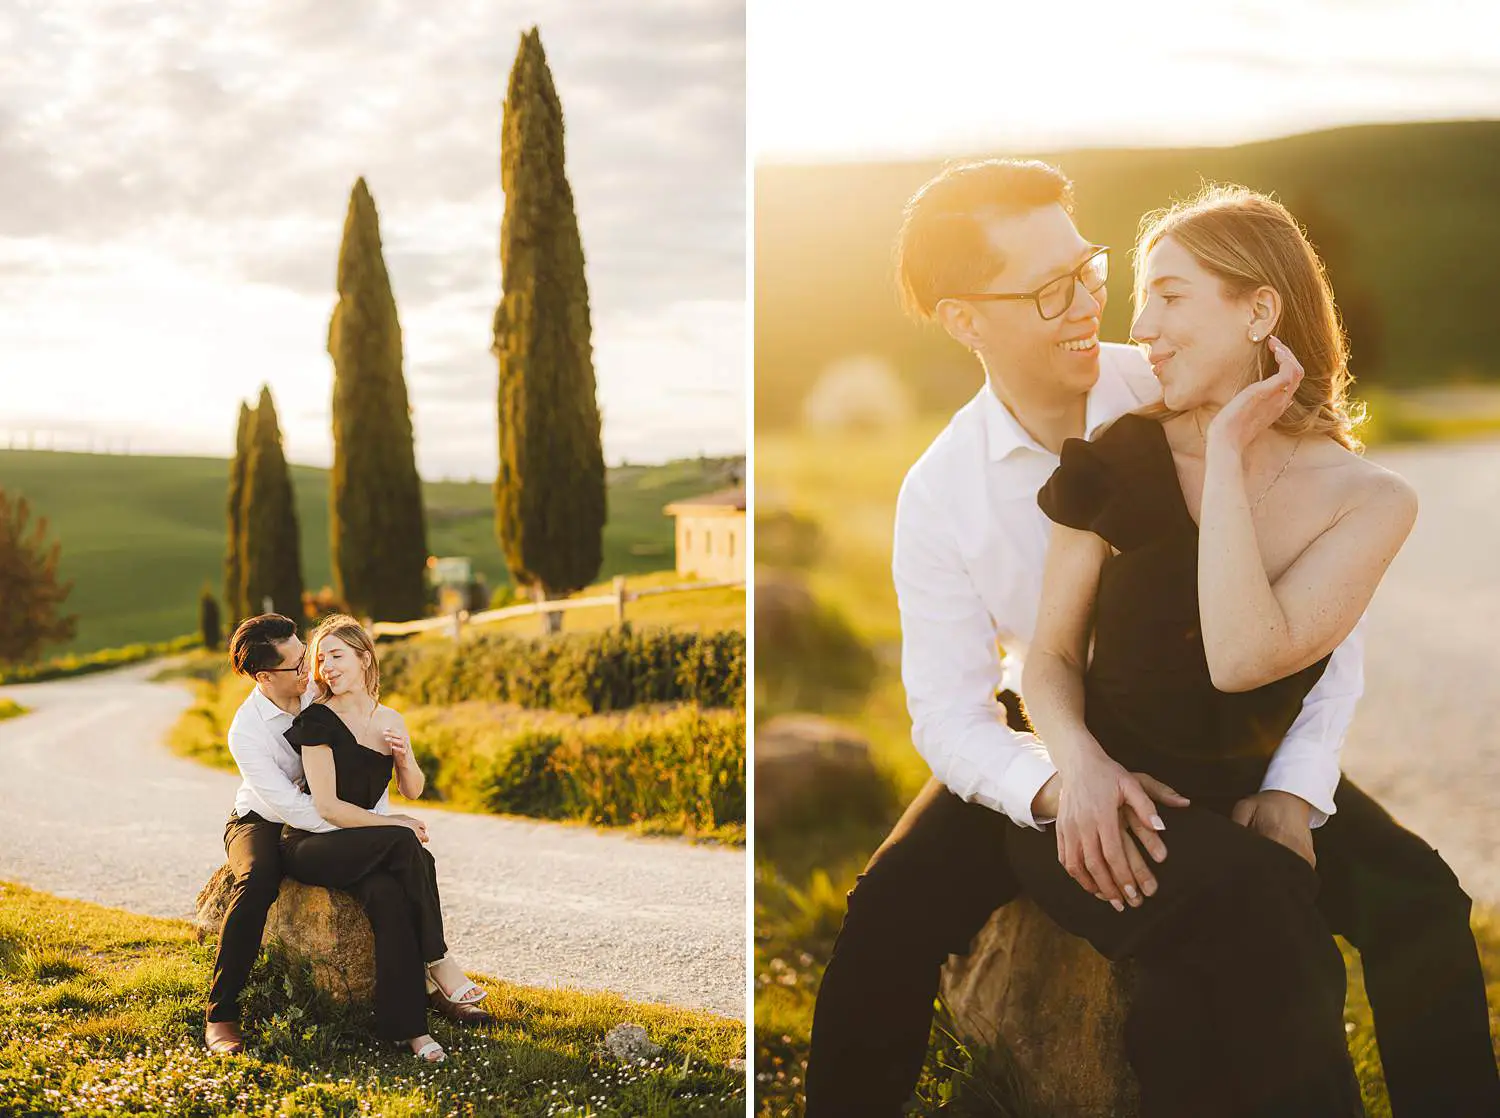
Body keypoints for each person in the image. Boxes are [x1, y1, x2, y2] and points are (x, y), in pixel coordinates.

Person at [803, 161, 1499, 1116]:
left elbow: (1323, 636)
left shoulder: (1182, 374)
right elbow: (950, 712)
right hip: (1048, 734)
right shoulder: (941, 492)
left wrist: (1296, 789)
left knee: (1416, 898)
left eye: (1087, 269)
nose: (1099, 305)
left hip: (1221, 725)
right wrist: (1065, 779)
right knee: (887, 913)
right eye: (1053, 290)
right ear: (967, 320)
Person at [203, 613, 488, 1061]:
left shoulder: (319, 686)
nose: (310, 670)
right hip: (265, 817)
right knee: (258, 879)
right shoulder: (247, 730)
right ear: (264, 676)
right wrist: (375, 829)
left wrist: (372, 819)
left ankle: (412, 1019)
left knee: (387, 890)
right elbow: (298, 807)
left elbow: (361, 756)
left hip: (332, 820)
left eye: (308, 658)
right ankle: (221, 1013)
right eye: (297, 665)